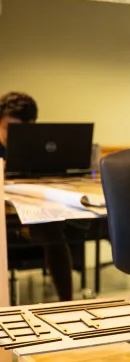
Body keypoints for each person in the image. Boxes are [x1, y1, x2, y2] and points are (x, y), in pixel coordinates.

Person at [0, 92, 75, 302]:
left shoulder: (39, 148)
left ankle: (66, 302)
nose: (12, 137)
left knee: (53, 231)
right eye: (7, 129)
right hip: (4, 218)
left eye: (21, 131)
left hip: (31, 211)